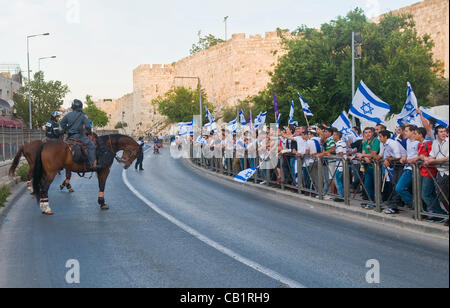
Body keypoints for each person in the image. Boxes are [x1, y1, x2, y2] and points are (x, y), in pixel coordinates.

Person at [60, 99, 97, 169]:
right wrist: (88, 132)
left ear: (73, 107)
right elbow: (88, 126)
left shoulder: (68, 115)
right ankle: (91, 164)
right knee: (91, 146)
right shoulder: (83, 116)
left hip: (69, 137)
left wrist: (66, 130)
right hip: (80, 136)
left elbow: (62, 123)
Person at [378, 130, 407, 214]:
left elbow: (398, 157)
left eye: (380, 136)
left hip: (402, 164)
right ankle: (395, 204)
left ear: (385, 137)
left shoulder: (392, 143)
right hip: (396, 165)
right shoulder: (384, 144)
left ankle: (398, 204)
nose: (379, 138)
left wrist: (389, 159)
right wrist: (388, 159)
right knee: (395, 184)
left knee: (398, 185)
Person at [425, 125, 449, 222]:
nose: (443, 133)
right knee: (442, 195)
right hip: (440, 172)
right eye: (441, 132)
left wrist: (433, 161)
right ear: (436, 134)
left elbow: (447, 158)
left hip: (447, 171)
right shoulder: (435, 143)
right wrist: (428, 159)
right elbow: (432, 155)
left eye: (444, 131)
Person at [395, 125, 419, 209]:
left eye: (406, 131)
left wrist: (413, 160)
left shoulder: (418, 142)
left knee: (400, 188)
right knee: (401, 188)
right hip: (407, 167)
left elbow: (421, 155)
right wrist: (404, 158)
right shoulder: (408, 141)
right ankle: (416, 205)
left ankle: (417, 206)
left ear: (413, 131)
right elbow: (407, 153)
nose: (404, 132)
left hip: (415, 168)